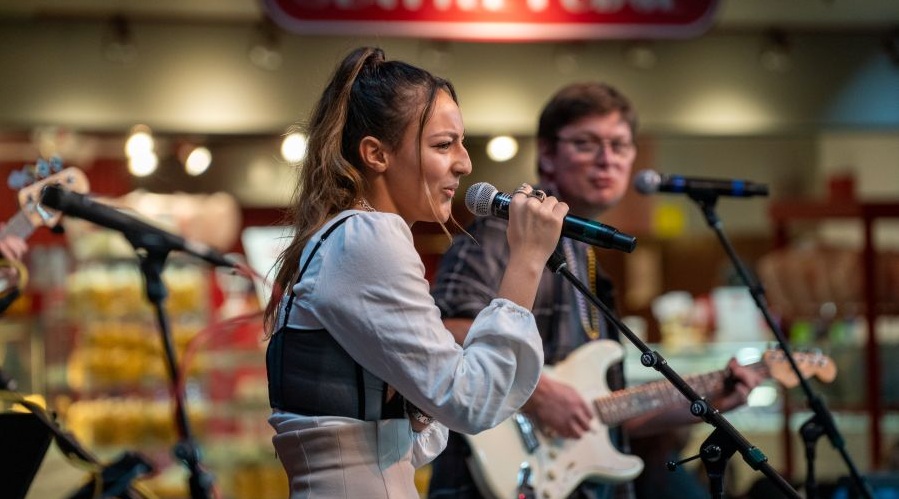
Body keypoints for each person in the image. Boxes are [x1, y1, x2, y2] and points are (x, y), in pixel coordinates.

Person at [427, 82, 764, 499]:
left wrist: (708, 405)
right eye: (587, 144)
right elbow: (443, 329)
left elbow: (600, 414)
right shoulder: (506, 230)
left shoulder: (587, 254)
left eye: (620, 145)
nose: (607, 159)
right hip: (488, 480)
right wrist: (536, 395)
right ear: (547, 155)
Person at [263, 46, 569, 499]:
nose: (464, 163)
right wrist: (525, 260)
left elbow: (415, 425)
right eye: (443, 145)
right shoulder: (369, 237)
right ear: (376, 154)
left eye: (461, 144)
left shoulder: (340, 237)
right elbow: (471, 400)